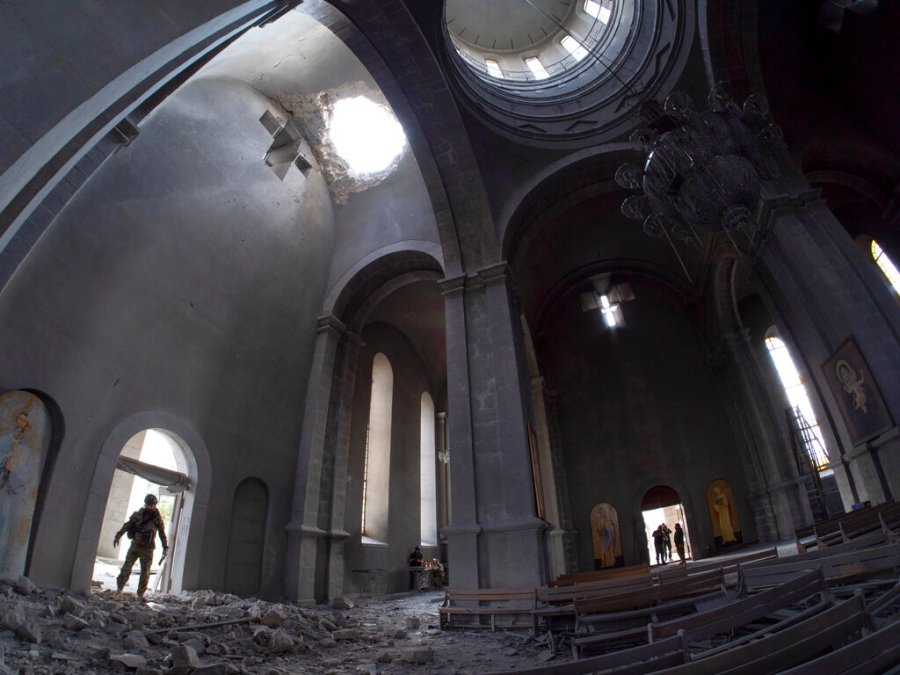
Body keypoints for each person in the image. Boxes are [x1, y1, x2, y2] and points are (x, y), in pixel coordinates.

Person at [113, 493, 168, 601]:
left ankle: (140, 595)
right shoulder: (138, 514)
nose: (150, 507)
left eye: (152, 505)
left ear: (155, 505)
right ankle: (119, 591)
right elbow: (127, 525)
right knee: (126, 568)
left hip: (148, 548)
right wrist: (118, 536)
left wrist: (165, 547)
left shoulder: (157, 518)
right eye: (148, 504)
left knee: (145, 572)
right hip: (135, 546)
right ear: (145, 504)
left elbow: (162, 533)